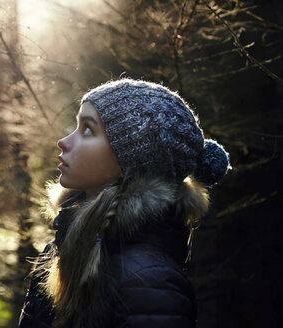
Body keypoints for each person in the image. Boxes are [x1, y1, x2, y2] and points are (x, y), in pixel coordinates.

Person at [18, 78, 230, 328]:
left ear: (133, 161)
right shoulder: (62, 248)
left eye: (87, 130)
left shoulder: (149, 281)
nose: (64, 141)